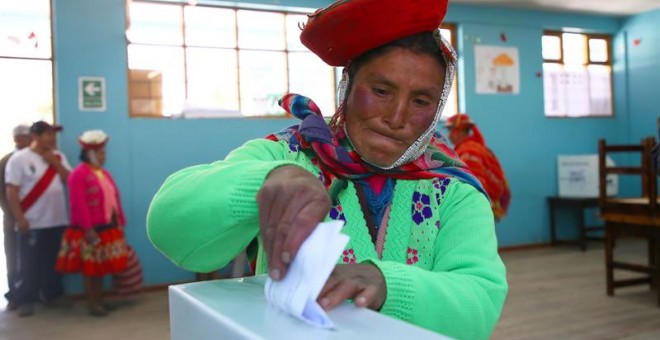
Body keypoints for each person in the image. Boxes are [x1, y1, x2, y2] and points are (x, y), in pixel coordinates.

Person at [147, 0, 507, 338]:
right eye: (381, 90)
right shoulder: (288, 156)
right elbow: (168, 227)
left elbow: (480, 305)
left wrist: (386, 283)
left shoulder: (453, 189)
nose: (396, 118)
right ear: (347, 86)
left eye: (421, 101)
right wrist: (262, 184)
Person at [56, 130, 129, 317]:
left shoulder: (103, 173)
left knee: (101, 268)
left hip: (106, 228)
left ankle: (100, 300)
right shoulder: (78, 175)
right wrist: (88, 229)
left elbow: (114, 198)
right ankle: (92, 303)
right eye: (101, 153)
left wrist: (119, 221)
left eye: (104, 153)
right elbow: (78, 205)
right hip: (90, 231)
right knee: (91, 270)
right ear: (91, 154)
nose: (104, 156)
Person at [4, 121, 73, 317]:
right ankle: (26, 299)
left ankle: (52, 295)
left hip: (57, 220)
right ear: (35, 136)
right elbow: (12, 191)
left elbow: (71, 180)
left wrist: (55, 162)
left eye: (53, 134)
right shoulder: (19, 159)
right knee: (28, 263)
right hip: (32, 221)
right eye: (47, 134)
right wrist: (20, 219)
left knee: (53, 261)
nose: (52, 138)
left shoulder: (58, 156)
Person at [445, 114, 511, 220]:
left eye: (450, 130)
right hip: (486, 205)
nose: (448, 135)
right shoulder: (474, 147)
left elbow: (474, 186)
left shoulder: (469, 151)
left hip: (476, 207)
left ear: (460, 130)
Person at [0, 124, 32, 310]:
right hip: (12, 220)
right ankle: (15, 296)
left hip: (36, 219)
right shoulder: (6, 161)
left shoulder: (37, 158)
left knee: (31, 259)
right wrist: (13, 215)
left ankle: (33, 294)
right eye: (28, 137)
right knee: (14, 259)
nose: (31, 140)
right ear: (18, 139)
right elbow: (4, 194)